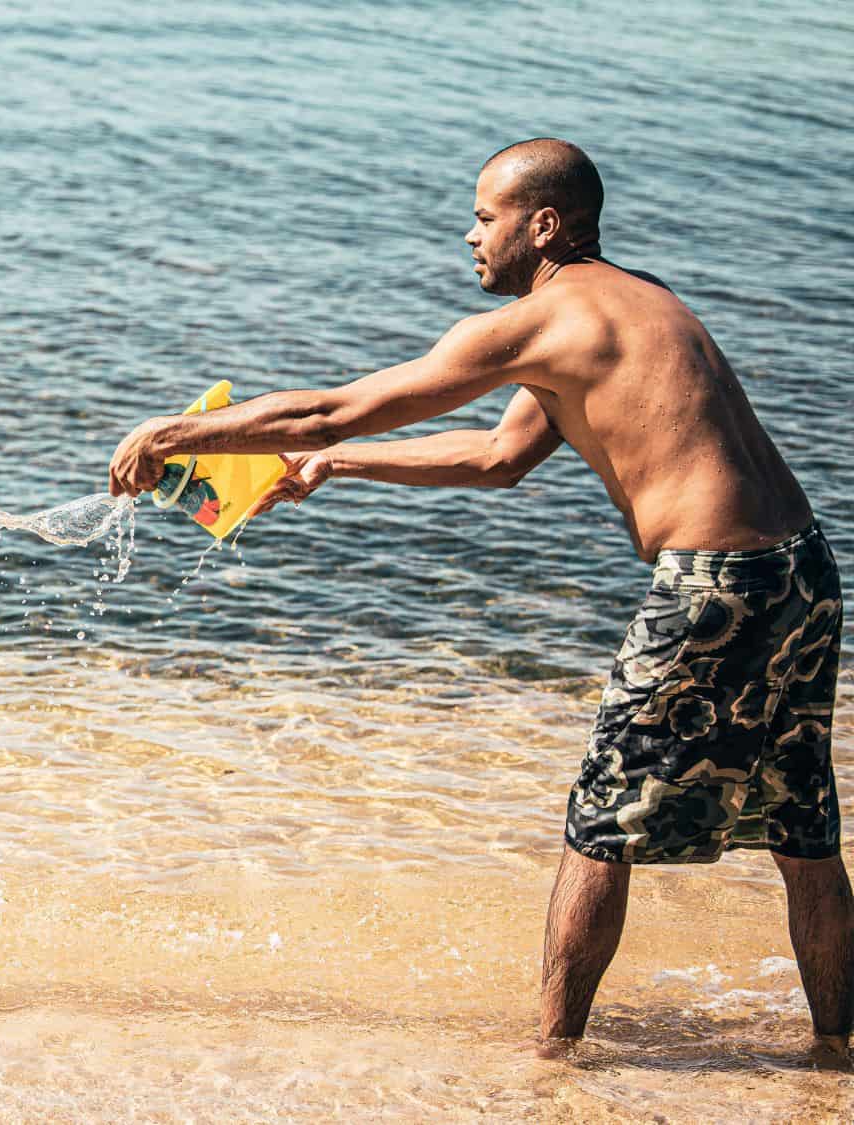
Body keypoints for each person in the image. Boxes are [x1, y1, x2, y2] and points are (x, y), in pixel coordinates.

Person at [107, 139, 847, 1056]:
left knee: (599, 824)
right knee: (800, 824)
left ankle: (553, 1060)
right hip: (803, 571)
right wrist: (338, 465)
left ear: (543, 225)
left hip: (714, 584)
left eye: (485, 217)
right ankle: (837, 1051)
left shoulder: (536, 322)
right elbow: (501, 457)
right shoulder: (634, 300)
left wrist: (180, 433)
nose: (470, 237)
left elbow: (337, 405)